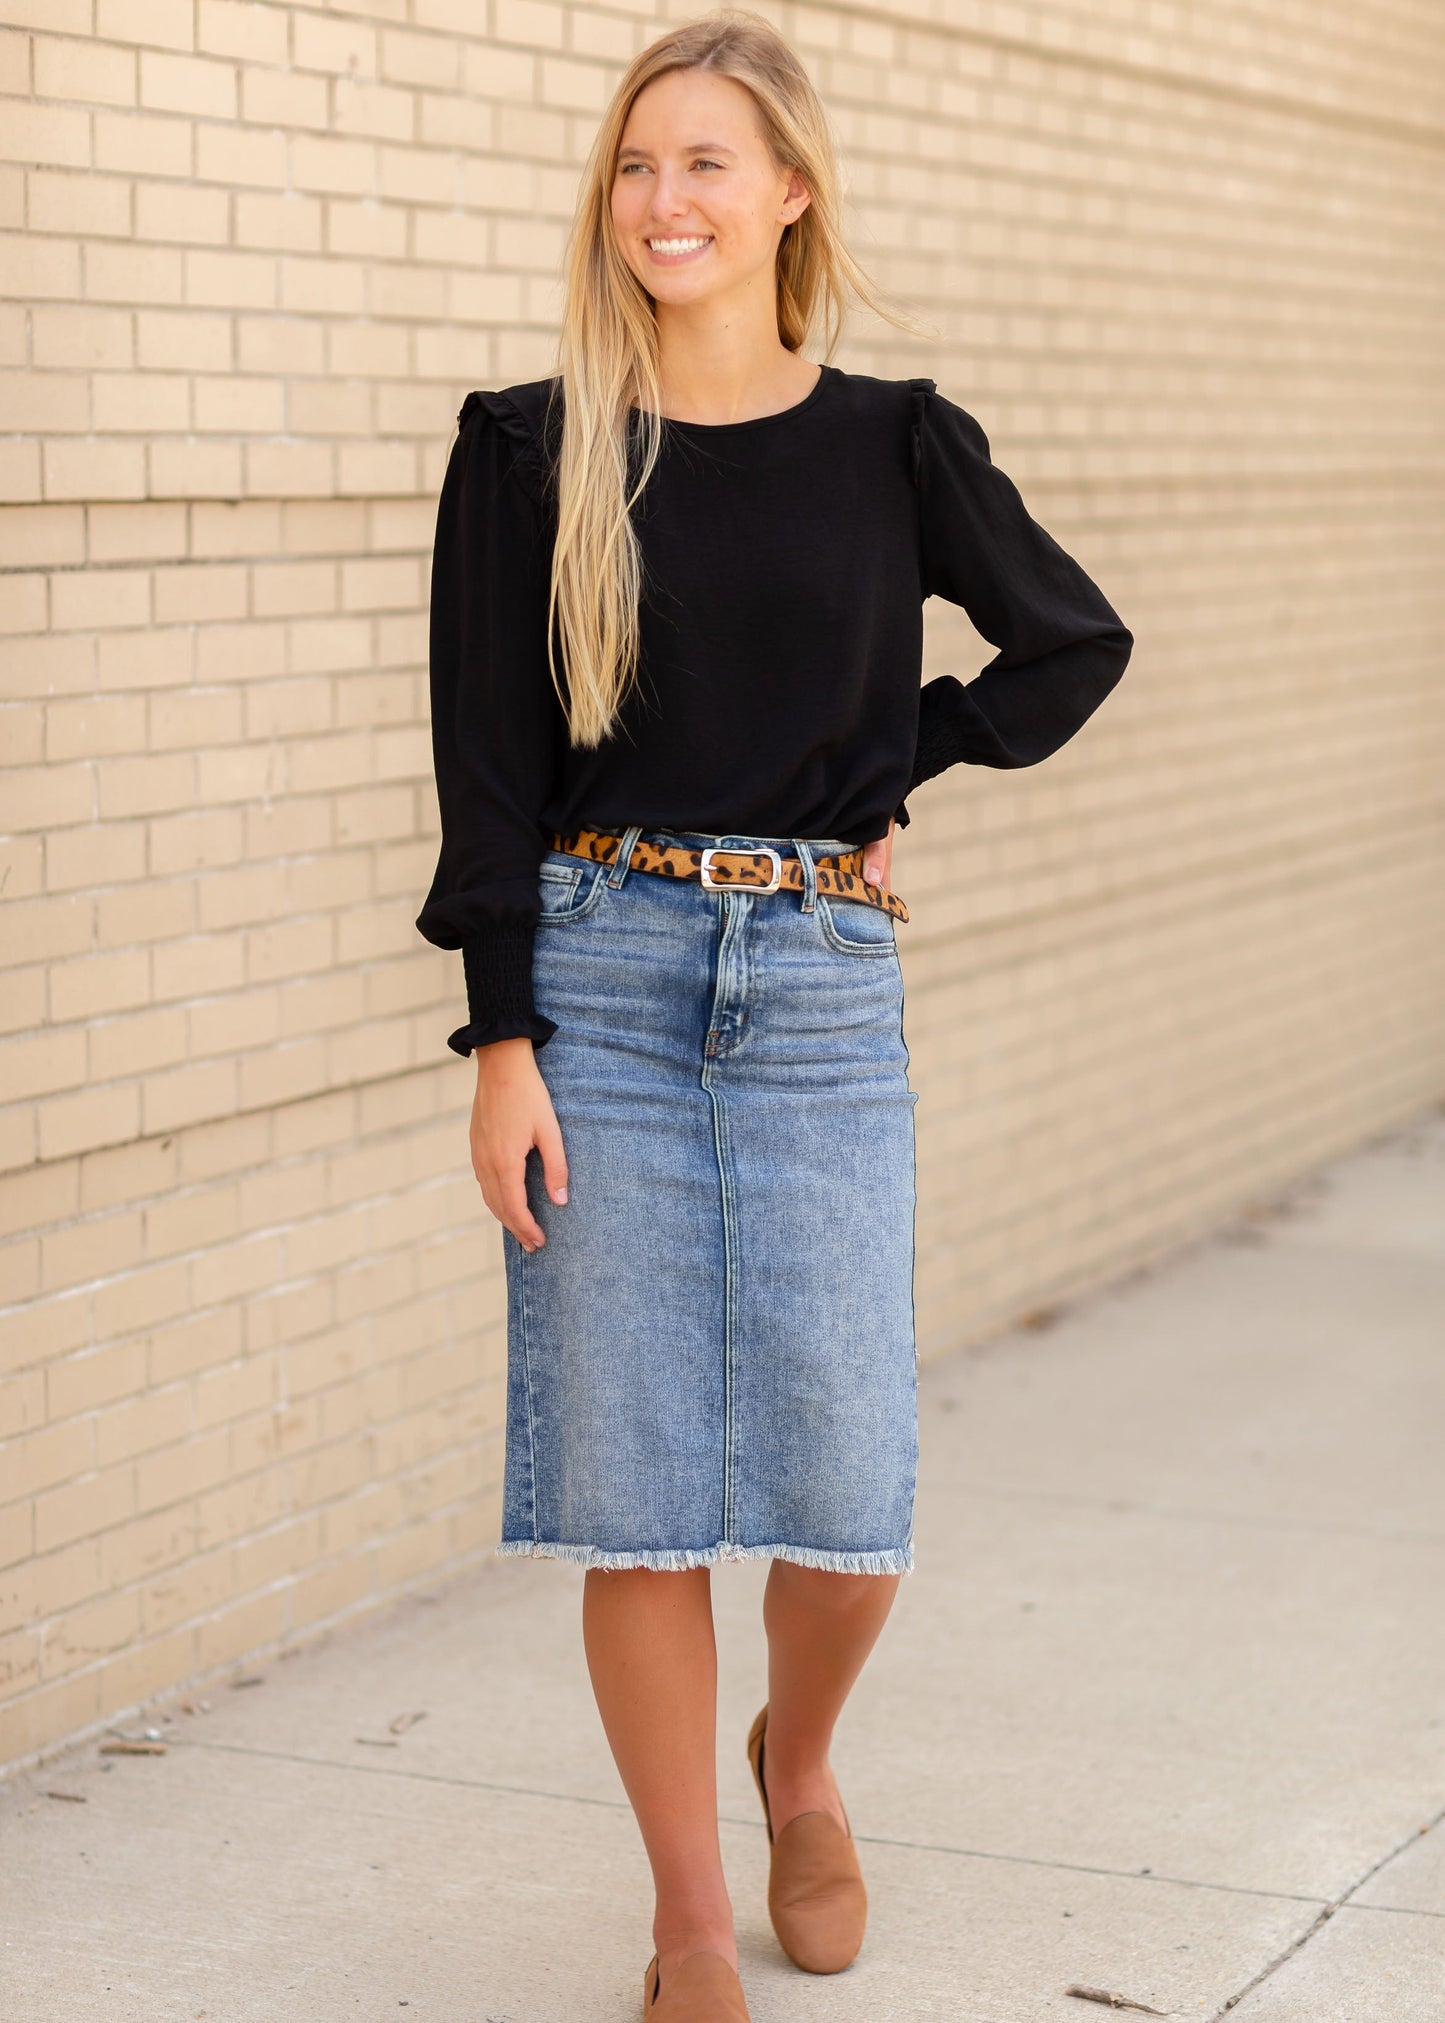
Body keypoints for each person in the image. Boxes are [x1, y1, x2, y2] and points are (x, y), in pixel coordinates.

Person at [416, 12, 1133, 2019]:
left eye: (708, 163)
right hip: (602, 981)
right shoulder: (526, 448)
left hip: (817, 990)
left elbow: (1073, 642)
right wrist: (501, 1039)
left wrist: (896, 757)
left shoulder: (892, 437)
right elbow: (487, 766)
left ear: (791, 190)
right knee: (635, 1492)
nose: (665, 201)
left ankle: (798, 1757)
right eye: (638, 165)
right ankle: (688, 1919)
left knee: (846, 1487)